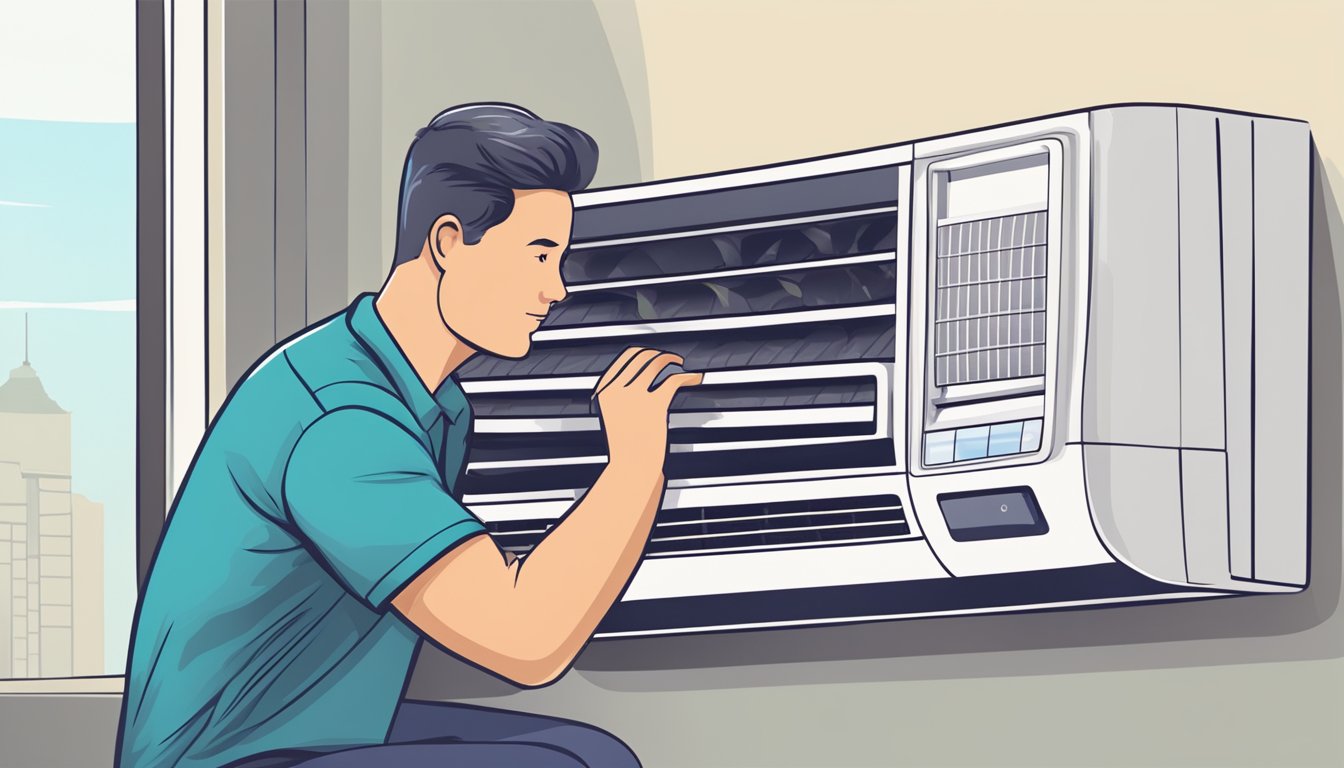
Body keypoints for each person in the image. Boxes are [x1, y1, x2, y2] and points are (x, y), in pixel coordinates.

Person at [115, 103, 701, 768]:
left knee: (592, 754)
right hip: (233, 758)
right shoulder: (341, 420)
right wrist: (633, 465)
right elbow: (525, 641)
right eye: (539, 255)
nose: (557, 288)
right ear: (449, 241)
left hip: (323, 726)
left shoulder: (435, 404)